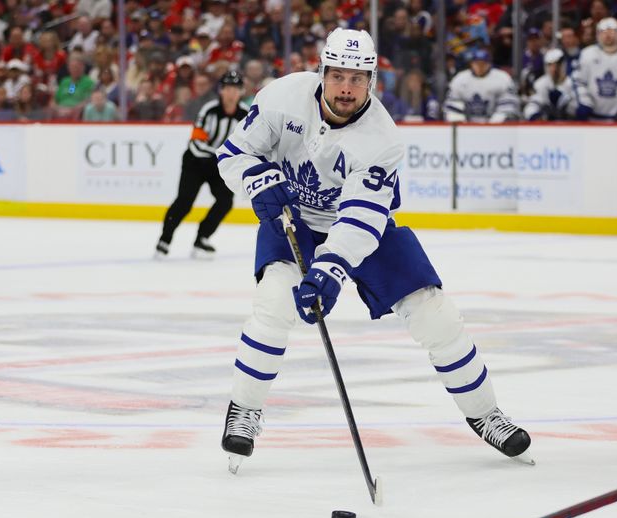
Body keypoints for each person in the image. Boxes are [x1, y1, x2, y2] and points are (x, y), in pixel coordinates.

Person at [215, 28, 533, 475]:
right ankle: (244, 410)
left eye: (358, 78)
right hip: (294, 220)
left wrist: (328, 271)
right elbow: (232, 154)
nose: (347, 87)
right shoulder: (282, 97)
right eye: (338, 75)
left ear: (373, 81)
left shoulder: (382, 139)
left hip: (361, 228)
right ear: (322, 72)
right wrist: (255, 178)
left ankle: (485, 413)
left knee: (434, 312)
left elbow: (359, 222)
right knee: (273, 303)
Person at [154, 70, 249, 259]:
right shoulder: (209, 110)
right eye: (228, 88)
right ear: (221, 90)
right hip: (195, 162)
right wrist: (221, 156)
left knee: (225, 201)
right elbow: (196, 142)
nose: (231, 93)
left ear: (241, 91)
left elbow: (248, 143)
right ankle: (164, 240)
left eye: (235, 89)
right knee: (184, 202)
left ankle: (202, 238)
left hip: (220, 166)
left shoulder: (245, 115)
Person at [572, 17, 617, 121]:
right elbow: (579, 82)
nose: (608, 35)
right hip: (591, 118)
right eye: (603, 32)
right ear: (597, 34)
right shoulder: (587, 54)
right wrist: (585, 102)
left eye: (612, 31)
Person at [442, 48, 520, 123]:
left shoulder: (502, 78)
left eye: (483, 63)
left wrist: (494, 124)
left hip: (496, 128)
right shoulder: (460, 78)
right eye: (477, 63)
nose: (479, 67)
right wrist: (460, 122)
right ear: (471, 64)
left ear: (489, 64)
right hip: (466, 127)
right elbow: (453, 103)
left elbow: (508, 105)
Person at [523, 48, 577, 121]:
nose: (554, 69)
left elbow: (576, 109)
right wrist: (535, 115)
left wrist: (563, 103)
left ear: (563, 64)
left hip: (568, 124)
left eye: (557, 64)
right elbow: (532, 105)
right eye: (550, 65)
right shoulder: (541, 83)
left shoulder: (572, 83)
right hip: (546, 126)